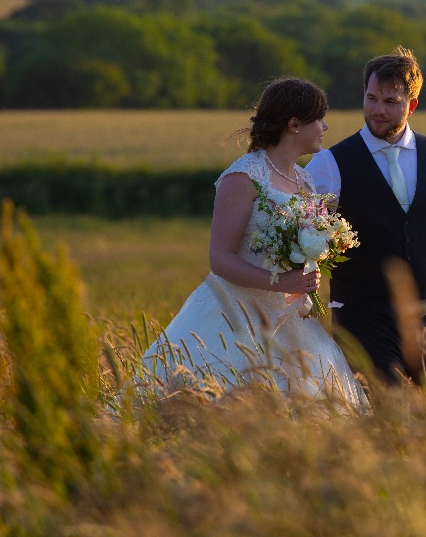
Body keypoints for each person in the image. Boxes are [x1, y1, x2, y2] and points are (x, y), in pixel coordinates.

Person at [141, 78, 368, 410]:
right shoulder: (243, 177)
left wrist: (312, 264)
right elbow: (219, 258)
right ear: (294, 125)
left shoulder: (303, 179)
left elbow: (301, 245)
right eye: (319, 118)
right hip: (235, 318)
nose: (325, 126)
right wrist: (280, 281)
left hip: (290, 320)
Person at [307, 47, 426, 393]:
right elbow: (300, 236)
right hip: (361, 318)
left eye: (390, 101)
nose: (377, 110)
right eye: (371, 98)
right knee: (388, 416)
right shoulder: (328, 165)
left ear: (411, 105)